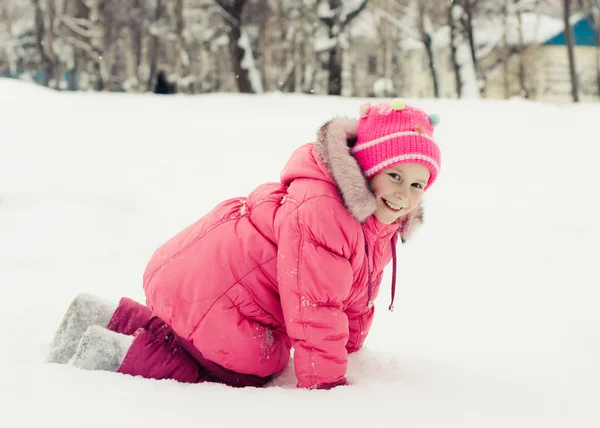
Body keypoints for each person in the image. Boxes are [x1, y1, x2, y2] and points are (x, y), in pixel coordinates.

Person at [46, 99, 442, 389]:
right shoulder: (327, 212)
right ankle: (113, 355)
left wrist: (353, 349)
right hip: (218, 292)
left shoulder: (374, 221)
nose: (403, 195)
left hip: (209, 284)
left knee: (195, 340)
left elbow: (351, 296)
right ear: (367, 167)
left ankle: (103, 317)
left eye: (416, 184)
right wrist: (326, 387)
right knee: (244, 368)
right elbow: (315, 308)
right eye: (393, 176)